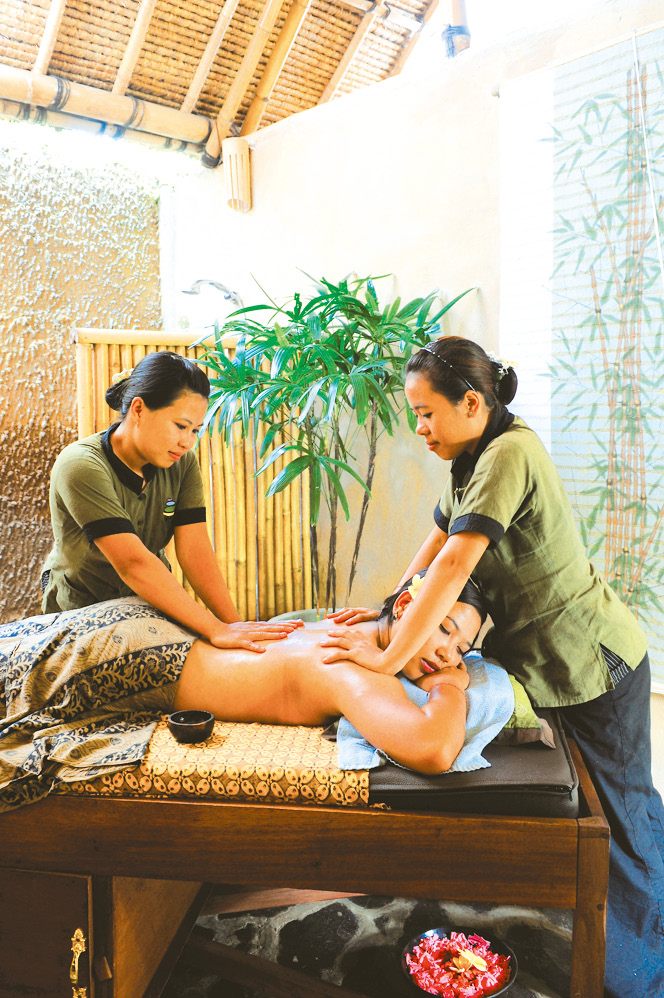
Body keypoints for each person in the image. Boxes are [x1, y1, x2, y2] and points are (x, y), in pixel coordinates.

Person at [323, 335, 664, 998]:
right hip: (552, 666)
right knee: (610, 814)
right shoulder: (471, 457)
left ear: (472, 403)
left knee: (624, 821)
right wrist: (388, 608)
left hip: (597, 663)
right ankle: (628, 951)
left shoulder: (511, 453)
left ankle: (643, 982)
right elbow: (434, 549)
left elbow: (455, 565)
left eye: (427, 413)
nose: (420, 428)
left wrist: (388, 656)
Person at [0, 575, 504, 813]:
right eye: (444, 629)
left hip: (141, 628)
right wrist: (450, 687)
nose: (448, 655)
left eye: (461, 650)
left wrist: (420, 648)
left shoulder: (357, 624)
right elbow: (434, 750)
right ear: (409, 605)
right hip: (133, 658)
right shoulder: (353, 668)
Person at [41, 351, 299, 652]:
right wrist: (215, 629)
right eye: (180, 426)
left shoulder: (182, 463)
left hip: (147, 608)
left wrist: (235, 626)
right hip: (82, 612)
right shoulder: (81, 465)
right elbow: (133, 563)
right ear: (139, 409)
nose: (187, 442)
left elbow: (195, 550)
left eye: (195, 431)